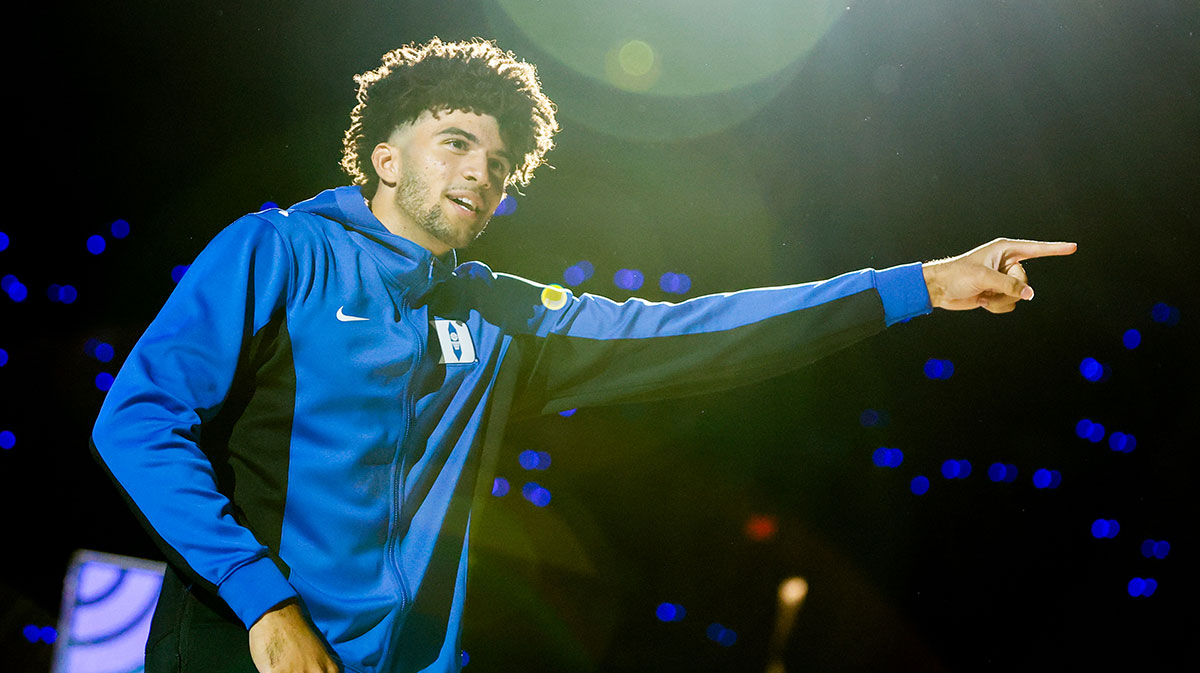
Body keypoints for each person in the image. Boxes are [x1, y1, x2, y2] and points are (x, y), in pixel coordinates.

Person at [90, 38, 1076, 673]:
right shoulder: (278, 250)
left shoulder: (507, 317)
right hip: (243, 645)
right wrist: (264, 605)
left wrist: (920, 284)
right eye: (454, 142)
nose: (480, 170)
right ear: (385, 158)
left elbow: (696, 332)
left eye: (498, 162)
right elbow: (136, 420)